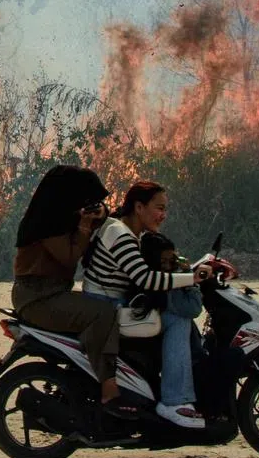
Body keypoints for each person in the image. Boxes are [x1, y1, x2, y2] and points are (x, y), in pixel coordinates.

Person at [81, 181, 212, 429]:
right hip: (107, 306)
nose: (163, 215)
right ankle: (174, 401)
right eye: (159, 208)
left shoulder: (129, 232)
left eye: (165, 209)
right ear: (139, 207)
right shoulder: (120, 234)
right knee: (177, 319)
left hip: (114, 302)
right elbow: (146, 279)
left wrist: (186, 268)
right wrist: (193, 278)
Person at [11, 165, 126, 412]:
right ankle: (108, 386)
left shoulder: (62, 218)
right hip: (39, 298)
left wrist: (100, 212)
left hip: (52, 293)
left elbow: (102, 215)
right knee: (102, 313)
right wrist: (85, 225)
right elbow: (70, 257)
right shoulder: (45, 224)